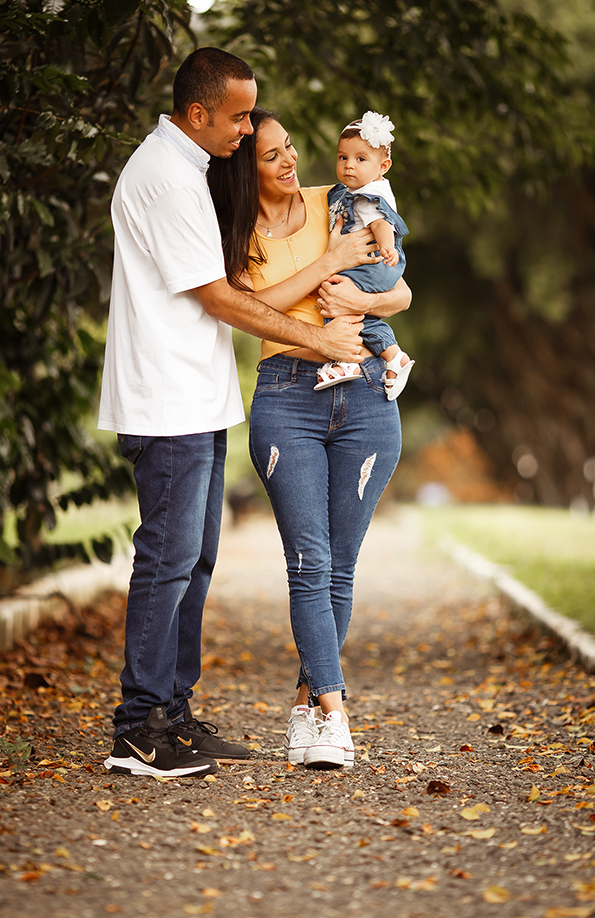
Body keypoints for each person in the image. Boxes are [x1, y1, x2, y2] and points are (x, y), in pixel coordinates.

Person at [97, 48, 367, 780]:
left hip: (196, 398)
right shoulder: (164, 177)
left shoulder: (188, 172)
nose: (248, 130)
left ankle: (173, 711)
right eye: (240, 116)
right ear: (197, 113)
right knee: (167, 561)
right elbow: (219, 298)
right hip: (166, 400)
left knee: (195, 560)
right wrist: (319, 340)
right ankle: (139, 729)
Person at [207, 107, 411, 770]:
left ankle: (306, 705)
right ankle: (334, 712)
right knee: (308, 562)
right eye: (271, 155)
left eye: (290, 146)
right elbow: (249, 312)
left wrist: (359, 303)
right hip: (286, 398)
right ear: (246, 169)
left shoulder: (339, 198)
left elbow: (401, 292)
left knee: (340, 567)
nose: (290, 161)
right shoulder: (235, 232)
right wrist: (329, 262)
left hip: (365, 395)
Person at [314, 111, 415, 398]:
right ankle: (395, 356)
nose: (349, 165)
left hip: (373, 261)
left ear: (383, 166)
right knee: (364, 318)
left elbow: (380, 223)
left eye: (360, 159)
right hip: (376, 260)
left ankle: (346, 359)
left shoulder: (366, 196)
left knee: (334, 296)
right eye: (342, 157)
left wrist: (386, 247)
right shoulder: (365, 188)